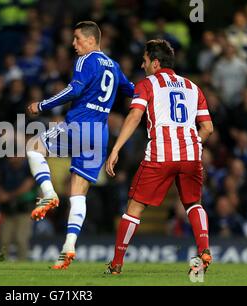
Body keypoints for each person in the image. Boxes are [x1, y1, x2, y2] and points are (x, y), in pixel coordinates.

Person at [26, 21, 134, 269]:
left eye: (77, 39)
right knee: (78, 193)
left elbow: (74, 89)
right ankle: (69, 247)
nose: (73, 44)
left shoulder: (87, 60)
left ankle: (49, 195)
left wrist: (41, 106)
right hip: (100, 135)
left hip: (79, 126)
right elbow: (132, 91)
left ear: (90, 40)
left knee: (33, 147)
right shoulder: (114, 66)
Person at [105, 39, 214, 276]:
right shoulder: (193, 87)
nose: (142, 65)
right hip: (191, 155)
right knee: (194, 204)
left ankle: (116, 264)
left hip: (160, 154)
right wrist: (191, 143)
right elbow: (208, 128)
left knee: (134, 207)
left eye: (144, 60)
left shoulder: (147, 84)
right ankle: (204, 250)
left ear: (155, 63)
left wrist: (115, 149)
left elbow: (135, 116)